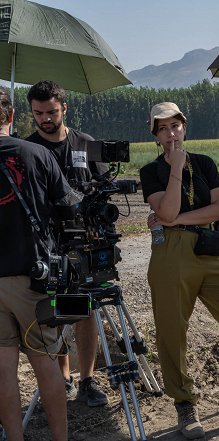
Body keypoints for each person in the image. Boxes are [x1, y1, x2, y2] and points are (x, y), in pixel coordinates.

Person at [140, 102, 219, 439]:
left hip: (208, 248)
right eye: (163, 129)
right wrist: (177, 170)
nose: (171, 134)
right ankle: (185, 405)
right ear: (155, 135)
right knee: (171, 331)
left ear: (185, 127)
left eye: (176, 126)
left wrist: (176, 219)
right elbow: (165, 210)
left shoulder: (206, 163)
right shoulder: (151, 171)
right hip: (171, 252)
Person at [0, 87, 81, 441]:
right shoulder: (36, 153)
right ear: (14, 116)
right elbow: (69, 206)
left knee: (3, 370)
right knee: (45, 362)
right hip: (31, 276)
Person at [25, 79, 110, 407]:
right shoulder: (28, 149)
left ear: (65, 108)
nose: (45, 118)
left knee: (86, 310)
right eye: (38, 113)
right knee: (56, 312)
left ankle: (87, 378)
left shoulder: (86, 144)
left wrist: (97, 226)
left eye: (51, 111)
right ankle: (64, 377)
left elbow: (106, 189)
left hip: (86, 244)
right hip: (45, 248)